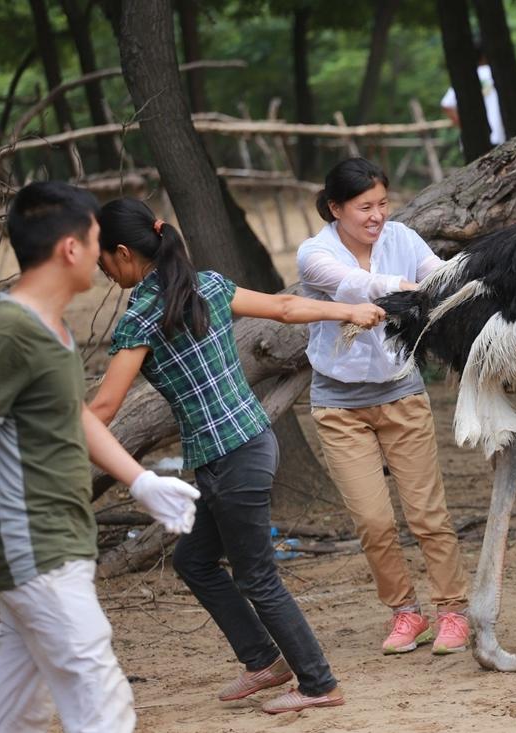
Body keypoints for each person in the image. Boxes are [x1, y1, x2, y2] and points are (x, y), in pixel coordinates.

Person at [88, 198, 383, 714]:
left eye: (103, 261)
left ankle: (318, 683)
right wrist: (348, 310)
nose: (103, 272)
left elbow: (106, 406)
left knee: (257, 576)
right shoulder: (206, 284)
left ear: (122, 252)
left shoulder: (140, 318)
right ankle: (264, 661)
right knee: (195, 560)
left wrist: (50, 434)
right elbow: (287, 308)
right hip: (243, 444)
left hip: (230, 458)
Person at [0, 182, 199, 732]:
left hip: (42, 548)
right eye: (94, 241)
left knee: (18, 711)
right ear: (70, 249)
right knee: (100, 698)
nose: (101, 253)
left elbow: (77, 415)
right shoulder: (11, 331)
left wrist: (141, 482)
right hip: (34, 547)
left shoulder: (47, 328)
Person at [298, 158, 471, 656]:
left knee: (427, 514)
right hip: (338, 405)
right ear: (335, 208)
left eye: (381, 204)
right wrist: (408, 290)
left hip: (400, 392)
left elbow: (440, 278)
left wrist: (451, 286)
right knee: (373, 521)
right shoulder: (316, 253)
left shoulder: (402, 239)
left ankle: (452, 610)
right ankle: (405, 613)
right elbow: (352, 286)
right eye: (363, 207)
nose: (376, 216)